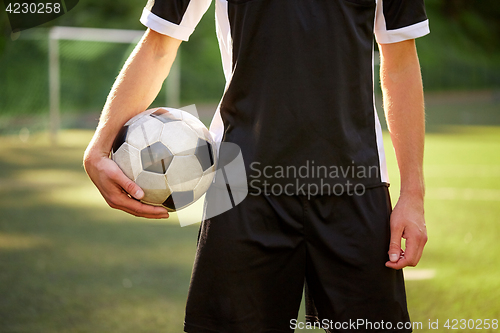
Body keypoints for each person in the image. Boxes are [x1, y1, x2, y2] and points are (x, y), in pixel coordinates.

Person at [84, 0, 429, 331]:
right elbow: (159, 43)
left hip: (357, 184)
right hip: (238, 185)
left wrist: (413, 194)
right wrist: (100, 147)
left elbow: (399, 63)